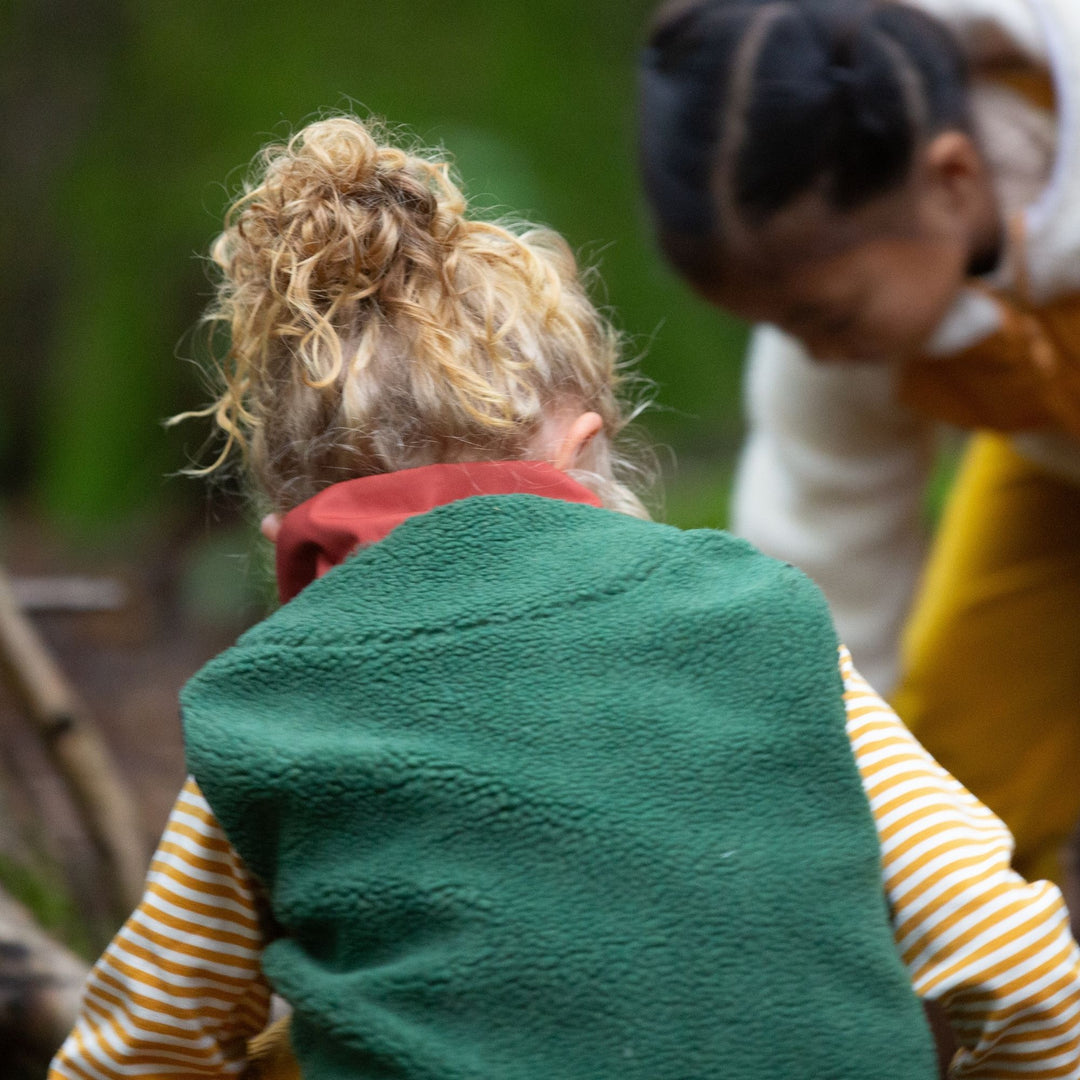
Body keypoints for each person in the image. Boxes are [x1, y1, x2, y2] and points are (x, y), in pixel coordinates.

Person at [48, 114, 1080, 1080]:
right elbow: (1019, 966)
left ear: (289, 538)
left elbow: (141, 1050)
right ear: (588, 456)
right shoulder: (765, 621)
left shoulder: (269, 708)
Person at [638, 0, 1080, 891]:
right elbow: (822, 598)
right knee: (956, 783)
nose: (814, 350)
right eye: (780, 326)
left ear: (952, 179)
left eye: (824, 319)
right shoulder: (841, 315)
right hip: (1057, 466)